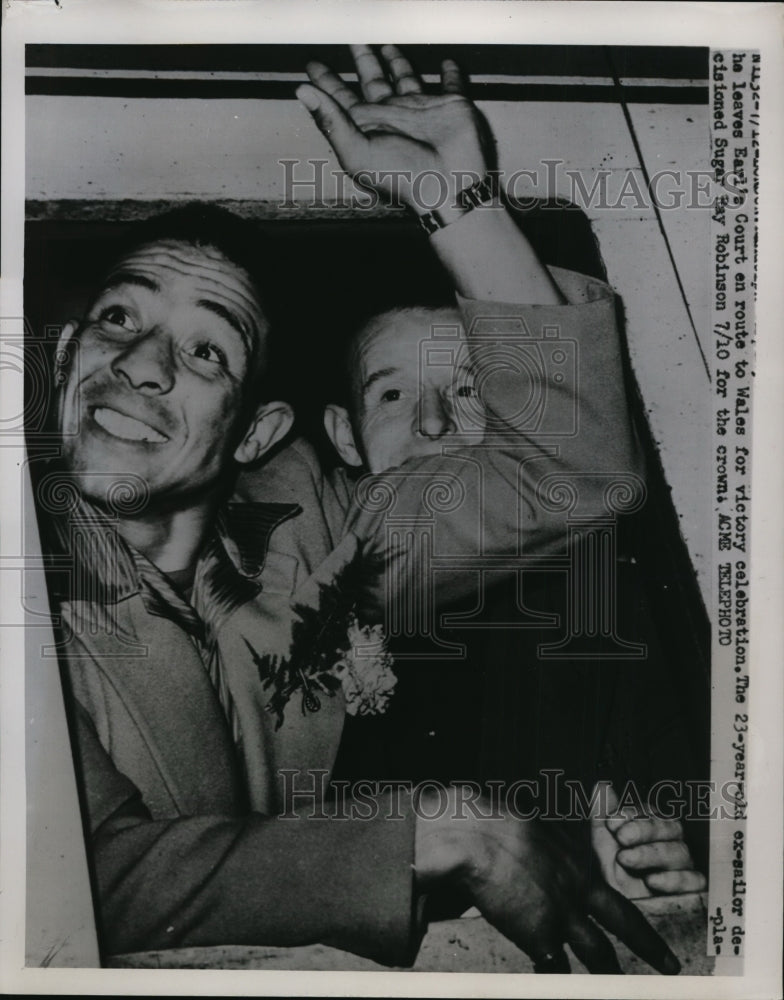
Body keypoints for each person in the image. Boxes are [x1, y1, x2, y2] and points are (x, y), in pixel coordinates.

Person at [41, 45, 681, 974]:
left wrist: (455, 202)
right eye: (119, 319)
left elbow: (574, 472)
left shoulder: (317, 525)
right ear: (62, 360)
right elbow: (63, 881)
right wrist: (423, 834)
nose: (142, 364)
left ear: (257, 434)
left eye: (207, 351)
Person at [241, 48, 707, 898]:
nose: (431, 422)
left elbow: (689, 784)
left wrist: (681, 853)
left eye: (466, 389)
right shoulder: (330, 529)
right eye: (393, 393)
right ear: (343, 436)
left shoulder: (605, 586)